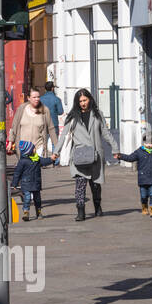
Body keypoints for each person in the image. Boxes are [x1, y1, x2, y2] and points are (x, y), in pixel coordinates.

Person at [53, 88, 120, 221]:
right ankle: (80, 211)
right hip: (79, 155)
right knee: (80, 184)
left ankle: (98, 207)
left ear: (90, 99)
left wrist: (115, 148)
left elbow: (105, 133)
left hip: (95, 154)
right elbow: (63, 135)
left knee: (95, 184)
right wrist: (56, 152)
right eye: (80, 101)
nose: (83, 103)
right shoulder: (72, 117)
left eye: (85, 100)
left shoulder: (97, 114)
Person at [120, 130, 152, 218]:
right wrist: (120, 156)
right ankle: (144, 207)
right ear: (143, 143)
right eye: (146, 143)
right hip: (143, 178)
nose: (148, 145)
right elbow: (130, 158)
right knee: (144, 195)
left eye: (150, 143)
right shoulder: (139, 152)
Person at [7, 88, 59, 158]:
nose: (37, 99)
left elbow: (51, 129)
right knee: (25, 168)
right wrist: (10, 142)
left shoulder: (44, 110)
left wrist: (56, 147)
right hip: (23, 147)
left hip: (38, 147)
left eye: (38, 97)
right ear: (28, 98)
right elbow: (14, 126)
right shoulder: (21, 109)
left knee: (35, 167)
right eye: (34, 97)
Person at [11, 141, 56, 221]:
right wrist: (14, 184)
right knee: (27, 198)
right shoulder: (22, 161)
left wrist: (51, 159)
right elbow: (17, 173)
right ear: (29, 151)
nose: (35, 149)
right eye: (33, 148)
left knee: (37, 199)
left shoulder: (37, 158)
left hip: (36, 183)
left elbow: (44, 161)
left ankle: (38, 212)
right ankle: (26, 212)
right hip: (26, 183)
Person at [39, 82, 64, 152]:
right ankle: (55, 161)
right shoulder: (57, 99)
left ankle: (42, 159)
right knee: (55, 143)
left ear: (45, 89)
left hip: (42, 123)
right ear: (52, 88)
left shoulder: (40, 99)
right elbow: (60, 112)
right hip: (54, 123)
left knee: (43, 143)